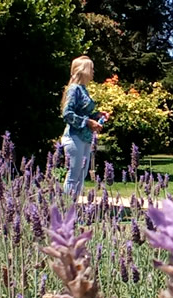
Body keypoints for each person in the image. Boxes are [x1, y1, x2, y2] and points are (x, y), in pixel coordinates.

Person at [61, 55, 110, 198]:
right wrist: (88, 122)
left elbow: (82, 112)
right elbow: (67, 114)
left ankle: (73, 211)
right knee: (73, 176)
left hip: (85, 138)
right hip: (74, 137)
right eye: (92, 69)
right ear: (84, 70)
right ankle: (66, 211)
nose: (93, 72)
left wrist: (97, 116)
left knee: (80, 178)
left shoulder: (83, 89)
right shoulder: (74, 89)